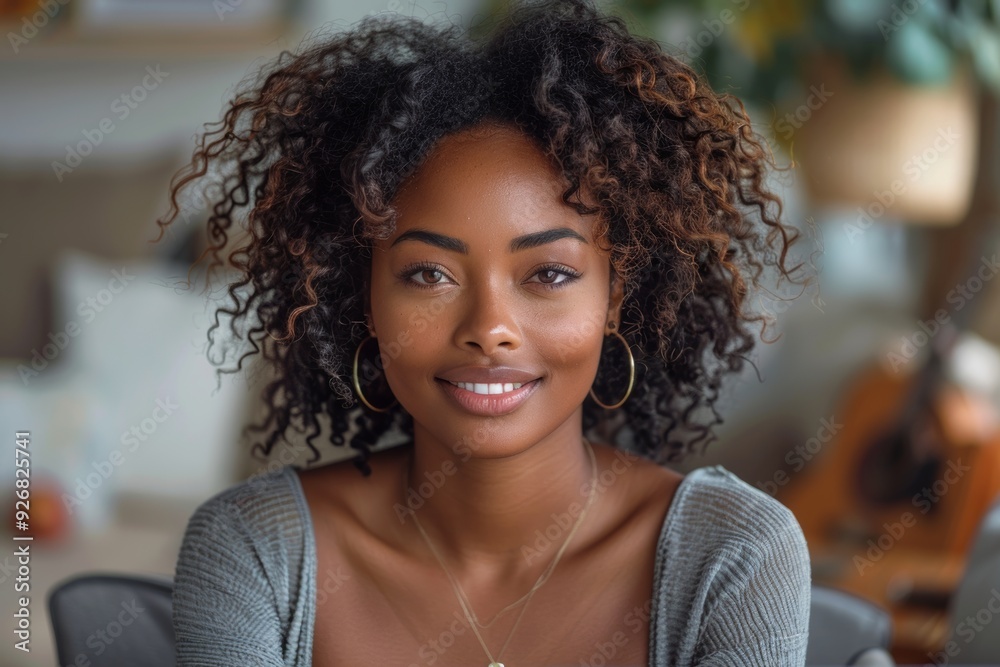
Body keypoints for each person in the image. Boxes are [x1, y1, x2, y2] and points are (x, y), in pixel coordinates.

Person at [158, 0, 813, 664]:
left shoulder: (734, 554)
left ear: (616, 295)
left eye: (550, 274)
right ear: (365, 295)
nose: (489, 329)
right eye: (429, 274)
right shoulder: (255, 550)